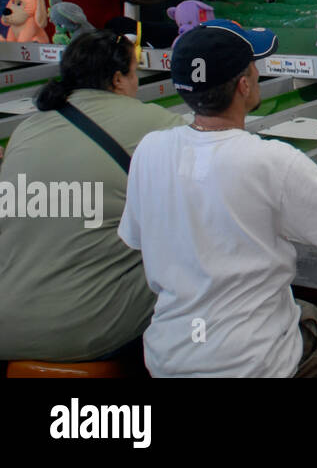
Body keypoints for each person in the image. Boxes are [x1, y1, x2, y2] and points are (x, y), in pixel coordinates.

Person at [118, 19, 317, 377]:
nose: (258, 73)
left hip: (167, 358)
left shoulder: (150, 149)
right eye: (253, 66)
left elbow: (139, 238)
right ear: (244, 85)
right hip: (253, 364)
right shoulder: (272, 159)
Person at [0, 30, 187, 364]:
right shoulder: (157, 124)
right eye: (134, 74)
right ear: (118, 79)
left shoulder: (26, 129)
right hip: (83, 329)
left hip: (8, 326)